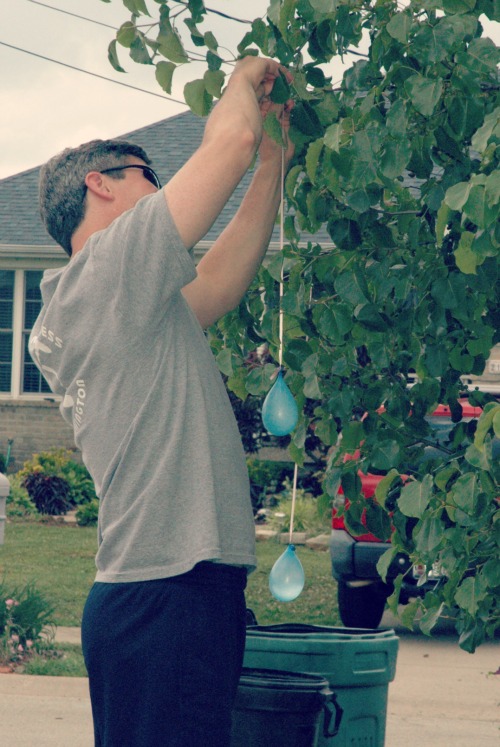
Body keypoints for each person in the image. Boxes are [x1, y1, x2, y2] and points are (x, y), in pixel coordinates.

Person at [29, 56, 294, 747]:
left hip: (170, 595)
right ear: (101, 185)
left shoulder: (116, 303)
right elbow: (226, 145)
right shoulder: (108, 271)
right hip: (166, 594)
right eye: (148, 172)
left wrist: (272, 165)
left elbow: (220, 278)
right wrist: (243, 78)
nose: (162, 186)